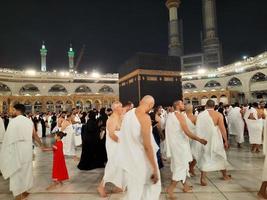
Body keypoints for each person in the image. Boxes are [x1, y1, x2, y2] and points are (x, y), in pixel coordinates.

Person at [119, 95, 161, 200]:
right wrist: (154, 168)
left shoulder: (128, 114)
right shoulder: (145, 117)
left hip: (130, 160)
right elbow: (147, 146)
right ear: (151, 105)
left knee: (135, 191)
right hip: (142, 161)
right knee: (150, 190)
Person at [0, 104, 43, 200]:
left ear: (17, 110)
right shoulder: (28, 121)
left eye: (13, 110)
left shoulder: (13, 122)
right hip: (27, 150)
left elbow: (8, 138)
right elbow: (35, 135)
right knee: (26, 171)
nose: (12, 112)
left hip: (16, 150)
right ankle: (24, 191)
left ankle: (18, 196)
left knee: (16, 171)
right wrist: (41, 145)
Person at [165, 101, 207, 198]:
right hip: (180, 146)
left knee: (181, 166)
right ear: (177, 106)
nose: (183, 105)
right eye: (182, 104)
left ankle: (185, 186)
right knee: (181, 167)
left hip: (175, 145)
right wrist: (199, 139)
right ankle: (170, 189)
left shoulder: (170, 116)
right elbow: (187, 132)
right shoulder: (180, 116)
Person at [194, 100, 231, 186]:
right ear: (214, 106)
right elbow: (222, 129)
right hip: (216, 138)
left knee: (206, 156)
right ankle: (225, 175)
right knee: (220, 155)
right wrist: (226, 140)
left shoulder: (201, 115)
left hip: (204, 139)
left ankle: (203, 178)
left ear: (206, 106)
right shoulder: (218, 115)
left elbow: (198, 128)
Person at [98, 101, 126, 197]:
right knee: (113, 165)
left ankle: (119, 186)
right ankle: (101, 186)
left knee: (121, 165)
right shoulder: (112, 119)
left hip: (119, 146)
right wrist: (122, 143)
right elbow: (111, 134)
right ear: (115, 109)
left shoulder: (120, 117)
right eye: (120, 107)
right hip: (114, 146)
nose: (122, 108)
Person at [184, 104, 198, 176]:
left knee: (187, 154)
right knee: (195, 154)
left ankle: (189, 167)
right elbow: (199, 129)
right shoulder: (195, 118)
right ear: (192, 109)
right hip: (193, 138)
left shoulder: (182, 117)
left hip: (185, 138)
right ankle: (191, 167)